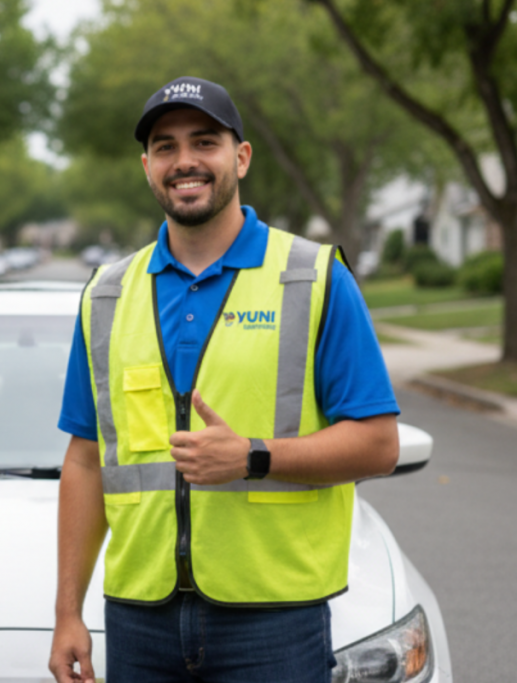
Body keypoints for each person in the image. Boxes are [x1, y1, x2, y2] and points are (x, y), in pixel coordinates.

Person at [48, 76, 400, 683]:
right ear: (147, 166)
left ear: (240, 157)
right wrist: (66, 612)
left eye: (204, 141)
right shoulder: (107, 294)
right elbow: (84, 460)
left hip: (273, 622)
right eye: (165, 146)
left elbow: (378, 443)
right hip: (138, 619)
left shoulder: (312, 278)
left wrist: (252, 457)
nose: (184, 161)